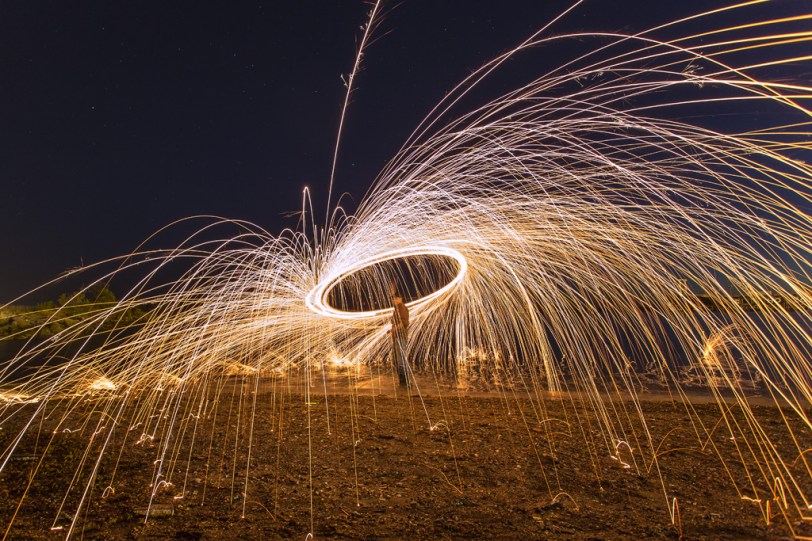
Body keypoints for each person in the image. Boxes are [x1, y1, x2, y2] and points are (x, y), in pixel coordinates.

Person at [390, 283, 410, 387]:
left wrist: (394, 328)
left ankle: (405, 383)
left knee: (401, 359)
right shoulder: (397, 309)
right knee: (398, 360)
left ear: (400, 298)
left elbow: (404, 323)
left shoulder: (402, 308)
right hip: (397, 337)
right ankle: (403, 383)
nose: (393, 300)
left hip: (401, 337)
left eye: (395, 299)